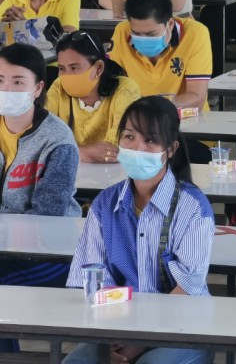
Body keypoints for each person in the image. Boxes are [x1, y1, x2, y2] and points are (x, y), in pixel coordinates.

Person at [63, 96, 215, 364]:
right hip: (117, 325)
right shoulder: (104, 204)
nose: (137, 147)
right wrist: (109, 339)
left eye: (150, 140)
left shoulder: (192, 208)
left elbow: (187, 288)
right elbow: (92, 279)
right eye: (129, 137)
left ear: (171, 149)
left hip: (182, 327)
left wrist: (140, 341)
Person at [0, 43, 80, 329]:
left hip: (46, 253)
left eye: (17, 82)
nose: (6, 89)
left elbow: (47, 218)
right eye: (0, 80)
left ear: (37, 88)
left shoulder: (57, 140)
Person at [109, 0, 211, 114]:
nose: (143, 39)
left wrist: (148, 106)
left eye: (151, 34)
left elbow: (197, 98)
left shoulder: (195, 34)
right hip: (139, 119)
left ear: (170, 24)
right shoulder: (122, 32)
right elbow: (110, 85)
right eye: (137, 33)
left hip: (186, 119)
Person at [46, 30, 141, 164]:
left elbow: (117, 146)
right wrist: (81, 152)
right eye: (61, 68)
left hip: (116, 171)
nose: (67, 75)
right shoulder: (58, 87)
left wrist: (66, 152)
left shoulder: (125, 89)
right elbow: (42, 139)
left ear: (98, 68)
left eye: (74, 68)